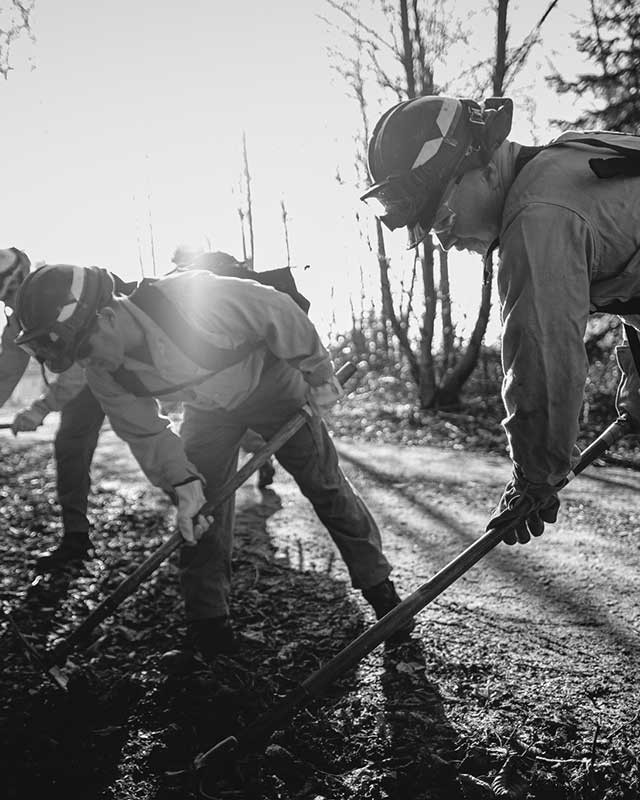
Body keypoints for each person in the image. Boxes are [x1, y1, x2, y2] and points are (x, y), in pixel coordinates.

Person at [14, 264, 413, 657]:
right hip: (209, 410)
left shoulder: (191, 299)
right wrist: (184, 486)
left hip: (274, 387)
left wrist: (318, 373)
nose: (87, 364)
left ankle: (384, 598)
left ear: (108, 314)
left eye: (83, 348)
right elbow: (146, 433)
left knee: (323, 484)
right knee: (199, 513)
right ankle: (209, 631)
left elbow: (277, 310)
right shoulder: (103, 372)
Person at [361, 95, 640, 545]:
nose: (444, 238)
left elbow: (542, 360)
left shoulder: (537, 216)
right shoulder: (566, 166)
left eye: (441, 213)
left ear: (484, 166)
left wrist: (534, 476)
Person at [0, 248, 108, 570]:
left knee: (154, 442)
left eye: (7, 293)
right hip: (83, 388)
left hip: (108, 373)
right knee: (70, 449)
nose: (7, 303)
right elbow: (6, 371)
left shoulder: (58, 296)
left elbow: (76, 373)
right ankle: (76, 537)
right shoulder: (17, 320)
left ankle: (198, 503)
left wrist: (40, 409)